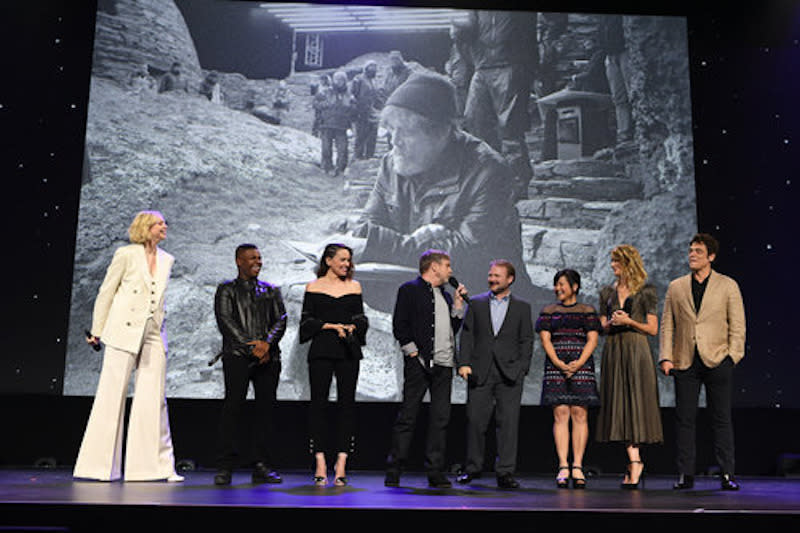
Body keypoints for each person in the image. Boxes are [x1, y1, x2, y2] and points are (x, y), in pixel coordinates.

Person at [351, 71, 543, 315]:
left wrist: (393, 244)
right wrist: (424, 242)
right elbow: (366, 228)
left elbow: (468, 255)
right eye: (391, 131)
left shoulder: (488, 170)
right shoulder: (392, 164)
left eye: (406, 132)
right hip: (416, 281)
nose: (394, 142)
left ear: (442, 132)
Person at [74, 211, 182, 482]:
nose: (164, 227)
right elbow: (106, 292)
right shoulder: (126, 254)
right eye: (160, 223)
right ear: (147, 228)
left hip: (153, 333)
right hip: (122, 330)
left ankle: (154, 467)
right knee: (111, 397)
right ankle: (99, 467)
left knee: (154, 399)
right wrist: (97, 330)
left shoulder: (167, 259)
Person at [659, 233, 746, 491]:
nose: (692, 255)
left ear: (711, 256)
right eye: (690, 251)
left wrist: (732, 356)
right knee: (684, 419)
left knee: (721, 418)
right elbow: (667, 325)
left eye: (698, 251)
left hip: (718, 358)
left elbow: (738, 325)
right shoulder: (676, 286)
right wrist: (665, 356)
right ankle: (685, 474)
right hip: (685, 360)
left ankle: (727, 474)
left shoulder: (727, 285)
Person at [385, 249, 466, 488]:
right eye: (447, 265)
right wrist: (412, 353)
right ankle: (395, 468)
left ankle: (435, 471)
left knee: (440, 419)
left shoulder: (446, 296)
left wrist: (458, 305)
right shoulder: (409, 290)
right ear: (434, 267)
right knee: (408, 416)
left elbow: (452, 328)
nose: (450, 270)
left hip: (443, 365)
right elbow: (400, 324)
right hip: (419, 364)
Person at [212, 244, 287, 486]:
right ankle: (226, 466)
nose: (258, 261)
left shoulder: (271, 290)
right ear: (239, 261)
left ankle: (261, 464)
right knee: (233, 408)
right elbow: (225, 320)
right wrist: (250, 346)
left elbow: (281, 319)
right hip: (237, 356)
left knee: (266, 411)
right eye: (252, 258)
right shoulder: (226, 290)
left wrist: (266, 344)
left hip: (268, 358)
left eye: (259, 258)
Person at [456, 260, 533, 489]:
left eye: (497, 276)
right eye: (490, 275)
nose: (492, 279)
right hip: (480, 371)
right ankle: (472, 468)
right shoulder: (477, 303)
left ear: (510, 279)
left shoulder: (522, 307)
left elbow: (526, 340)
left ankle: (505, 472)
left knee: (508, 424)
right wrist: (464, 363)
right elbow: (467, 336)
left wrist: (521, 368)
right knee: (475, 422)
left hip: (509, 373)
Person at [299, 243, 368, 487]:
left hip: (348, 351)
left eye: (349, 260)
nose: (347, 264)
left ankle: (341, 462)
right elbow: (306, 322)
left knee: (346, 405)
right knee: (318, 404)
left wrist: (352, 327)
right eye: (342, 259)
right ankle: (319, 461)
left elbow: (361, 319)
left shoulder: (354, 286)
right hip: (322, 351)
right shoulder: (314, 287)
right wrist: (329, 326)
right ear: (328, 261)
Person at [595, 244, 663, 489]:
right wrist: (611, 323)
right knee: (619, 405)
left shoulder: (646, 291)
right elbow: (601, 326)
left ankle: (635, 462)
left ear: (628, 263)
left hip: (636, 349)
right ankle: (633, 460)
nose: (613, 265)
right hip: (614, 349)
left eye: (617, 261)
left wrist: (629, 321)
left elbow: (653, 329)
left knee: (635, 402)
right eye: (612, 261)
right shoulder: (606, 293)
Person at [453, 10, 538, 202]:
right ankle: (490, 181)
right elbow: (464, 36)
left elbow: (529, 35)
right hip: (482, 68)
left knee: (510, 128)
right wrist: (460, 32)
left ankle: (517, 184)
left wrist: (528, 70)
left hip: (510, 65)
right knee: (475, 123)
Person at [535, 269, 600, 489]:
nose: (557, 288)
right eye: (556, 284)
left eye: (562, 284)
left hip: (581, 366)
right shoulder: (548, 311)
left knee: (580, 414)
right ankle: (563, 466)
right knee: (561, 414)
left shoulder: (587, 311)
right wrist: (559, 362)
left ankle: (578, 466)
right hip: (556, 366)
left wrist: (579, 362)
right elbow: (545, 340)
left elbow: (592, 339)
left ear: (575, 287)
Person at [313, 71, 355, 176]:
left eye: (342, 80)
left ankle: (340, 168)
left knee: (342, 149)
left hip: (342, 126)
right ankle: (326, 167)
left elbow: (354, 109)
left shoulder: (349, 95)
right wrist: (325, 105)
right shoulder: (326, 92)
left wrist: (350, 108)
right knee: (326, 148)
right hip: (326, 124)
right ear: (333, 81)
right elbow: (315, 103)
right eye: (337, 80)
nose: (339, 82)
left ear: (345, 81)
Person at [351, 61, 380, 159]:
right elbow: (353, 95)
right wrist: (355, 111)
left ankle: (370, 155)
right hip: (361, 112)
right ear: (366, 68)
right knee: (361, 135)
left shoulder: (374, 81)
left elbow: (376, 97)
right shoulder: (359, 79)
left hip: (372, 112)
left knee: (372, 135)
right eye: (372, 67)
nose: (374, 69)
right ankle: (358, 156)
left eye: (375, 67)